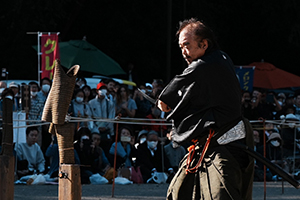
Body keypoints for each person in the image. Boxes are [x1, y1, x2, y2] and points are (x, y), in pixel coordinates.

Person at [157, 18, 254, 199]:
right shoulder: (220, 59)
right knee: (177, 192)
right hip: (206, 145)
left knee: (221, 195)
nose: (184, 51)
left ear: (204, 44)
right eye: (181, 47)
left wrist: (164, 100)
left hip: (226, 145)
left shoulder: (205, 65)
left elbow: (176, 86)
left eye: (187, 45)